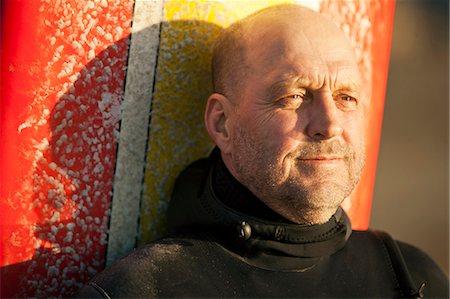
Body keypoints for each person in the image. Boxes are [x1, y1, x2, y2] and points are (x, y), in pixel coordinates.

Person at [77, 4, 448, 298]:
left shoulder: (410, 276)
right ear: (222, 123)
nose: (330, 124)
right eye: (294, 96)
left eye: (346, 97)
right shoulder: (141, 290)